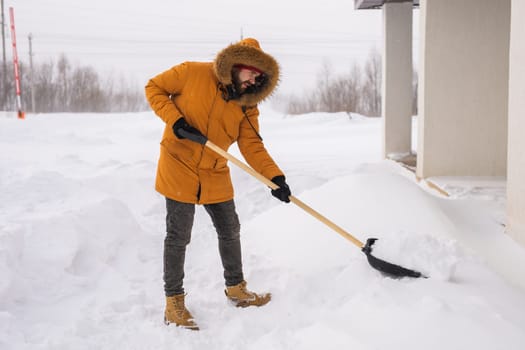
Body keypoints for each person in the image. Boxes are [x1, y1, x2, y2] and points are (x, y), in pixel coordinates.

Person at [145, 38, 292, 331]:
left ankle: (236, 289)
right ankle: (174, 302)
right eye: (252, 73)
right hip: (179, 163)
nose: (254, 80)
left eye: (259, 77)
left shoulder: (246, 104)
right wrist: (175, 121)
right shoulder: (192, 73)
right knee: (179, 236)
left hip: (214, 169)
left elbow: (252, 144)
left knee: (230, 229)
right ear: (238, 66)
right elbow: (154, 88)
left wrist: (275, 178)